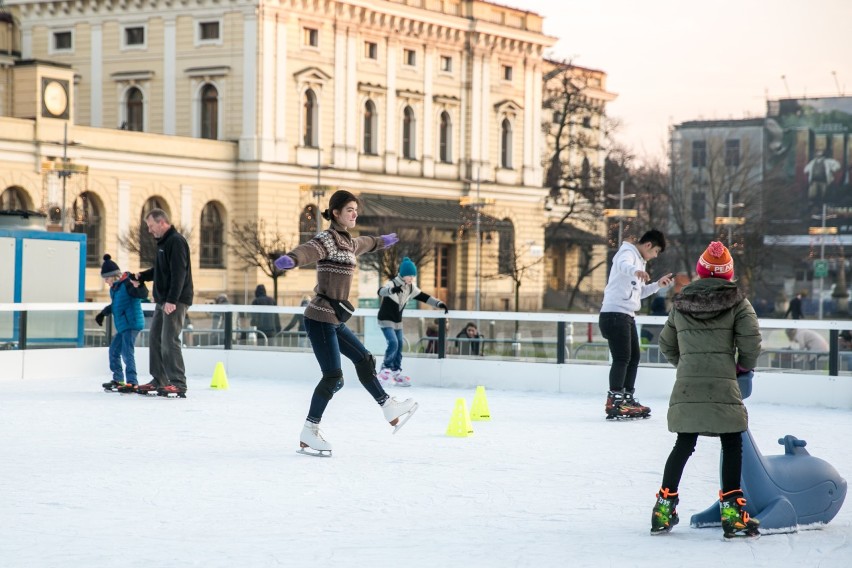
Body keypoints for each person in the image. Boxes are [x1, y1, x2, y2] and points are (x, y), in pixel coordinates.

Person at [273, 189, 418, 456]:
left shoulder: (348, 243)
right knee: (333, 377)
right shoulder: (328, 239)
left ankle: (388, 407)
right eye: (349, 210)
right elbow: (309, 250)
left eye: (356, 209)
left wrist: (381, 241)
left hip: (334, 318)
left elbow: (365, 242)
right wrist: (291, 259)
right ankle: (309, 430)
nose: (354, 213)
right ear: (336, 213)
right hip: (319, 319)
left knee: (363, 359)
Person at [653, 241, 762, 538]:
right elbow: (751, 341)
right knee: (731, 443)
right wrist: (742, 368)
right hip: (723, 383)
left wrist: (685, 364)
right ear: (728, 274)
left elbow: (665, 343)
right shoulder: (738, 303)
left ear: (701, 271)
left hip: (689, 385)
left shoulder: (681, 304)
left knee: (684, 444)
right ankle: (732, 514)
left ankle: (663, 510)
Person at [598, 229, 673, 419]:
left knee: (634, 357)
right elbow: (623, 265)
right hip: (614, 314)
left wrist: (657, 285)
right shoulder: (627, 254)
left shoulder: (639, 261)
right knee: (622, 357)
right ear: (648, 245)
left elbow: (640, 292)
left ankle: (627, 398)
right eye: (655, 251)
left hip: (626, 315)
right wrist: (635, 270)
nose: (655, 256)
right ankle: (615, 399)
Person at [135, 208, 194, 398]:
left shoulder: (176, 242)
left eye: (151, 226)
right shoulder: (163, 243)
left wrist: (172, 300)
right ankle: (159, 379)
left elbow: (179, 273)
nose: (150, 230)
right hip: (163, 300)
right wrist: (141, 276)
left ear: (162, 222)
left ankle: (177, 382)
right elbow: (160, 271)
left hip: (174, 301)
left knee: (169, 340)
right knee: (155, 338)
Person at [377, 257, 448, 387]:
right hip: (385, 319)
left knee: (399, 345)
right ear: (403, 274)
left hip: (398, 322)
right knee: (393, 342)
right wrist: (391, 290)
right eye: (410, 275)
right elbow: (380, 291)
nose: (412, 278)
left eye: (413, 276)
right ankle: (384, 370)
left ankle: (395, 371)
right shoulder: (392, 283)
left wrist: (439, 303)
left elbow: (424, 297)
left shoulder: (411, 288)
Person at [97, 254, 148, 393]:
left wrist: (140, 285)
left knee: (127, 352)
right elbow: (116, 305)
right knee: (113, 351)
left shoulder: (127, 284)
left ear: (113, 276)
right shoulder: (115, 289)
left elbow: (142, 294)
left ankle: (132, 382)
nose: (106, 281)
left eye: (106, 278)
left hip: (131, 323)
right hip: (123, 326)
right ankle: (118, 379)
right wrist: (103, 313)